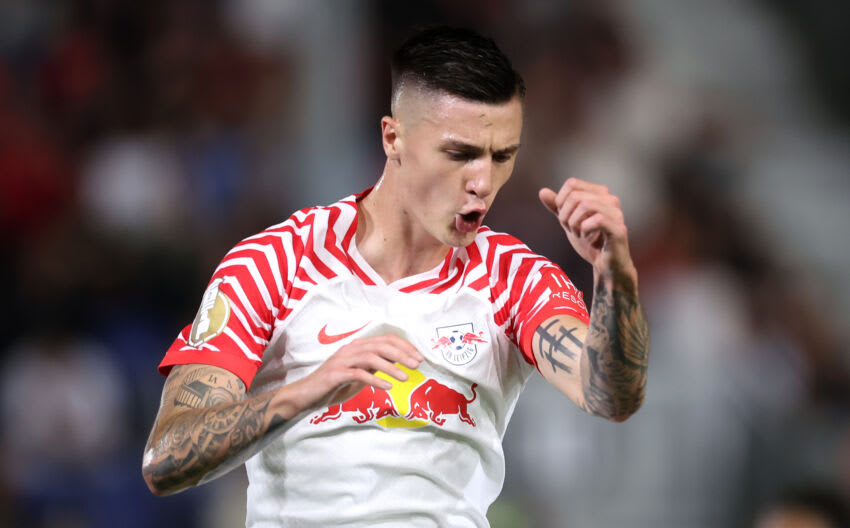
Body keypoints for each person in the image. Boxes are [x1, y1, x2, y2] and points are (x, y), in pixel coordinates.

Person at [142, 26, 650, 527]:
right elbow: (166, 458)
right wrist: (308, 390)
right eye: (460, 154)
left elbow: (610, 397)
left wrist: (615, 276)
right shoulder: (276, 262)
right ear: (393, 138)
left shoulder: (513, 276)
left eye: (502, 157)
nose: (482, 183)